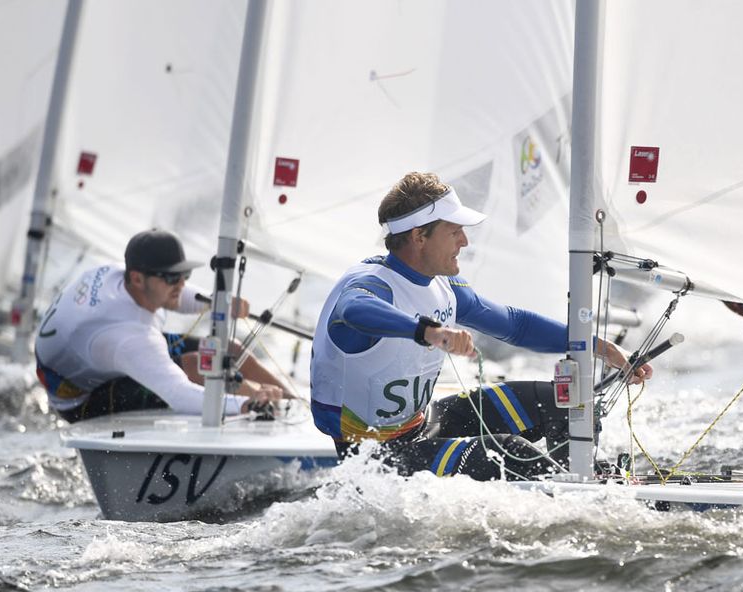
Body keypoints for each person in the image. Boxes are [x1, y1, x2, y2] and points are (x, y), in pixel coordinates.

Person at [311, 171, 651, 480]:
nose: (465, 241)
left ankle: (580, 480)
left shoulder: (442, 286)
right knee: (509, 453)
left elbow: (516, 326)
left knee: (563, 402)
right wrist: (429, 331)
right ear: (418, 237)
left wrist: (602, 348)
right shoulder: (370, 285)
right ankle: (567, 488)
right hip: (375, 458)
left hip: (425, 426)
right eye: (454, 231)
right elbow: (353, 310)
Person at [35, 228, 289, 422]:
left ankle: (294, 404)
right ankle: (269, 407)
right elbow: (179, 394)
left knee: (230, 351)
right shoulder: (127, 337)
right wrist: (244, 406)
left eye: (184, 275)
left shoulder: (117, 276)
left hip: (95, 354)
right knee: (200, 365)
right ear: (136, 278)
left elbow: (178, 296)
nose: (180, 284)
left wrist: (217, 302)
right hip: (83, 400)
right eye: (171, 277)